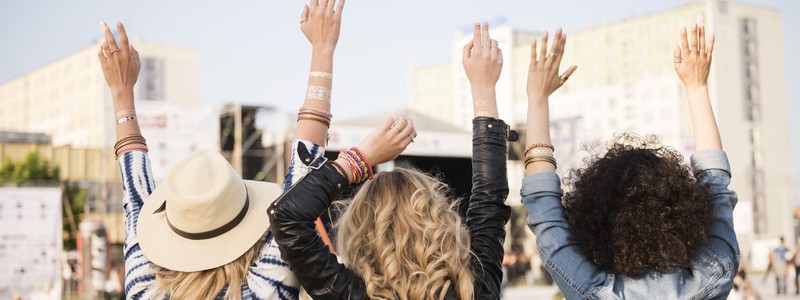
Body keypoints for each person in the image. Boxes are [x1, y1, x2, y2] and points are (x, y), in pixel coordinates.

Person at [100, 7, 344, 296]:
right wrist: (322, 49)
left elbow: (134, 196)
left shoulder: (144, 290)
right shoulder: (264, 289)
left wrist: (121, 94)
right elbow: (302, 172)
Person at [268, 21, 512, 300]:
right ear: (439, 219)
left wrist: (360, 159)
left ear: (359, 230)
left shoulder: (349, 293)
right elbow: (488, 202)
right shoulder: (474, 287)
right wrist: (484, 91)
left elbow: (287, 216)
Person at [522, 24, 739, 299]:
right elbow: (716, 187)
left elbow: (545, 211)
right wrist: (697, 87)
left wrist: (537, 99)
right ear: (685, 210)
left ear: (594, 221)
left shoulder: (594, 291)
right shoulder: (713, 277)